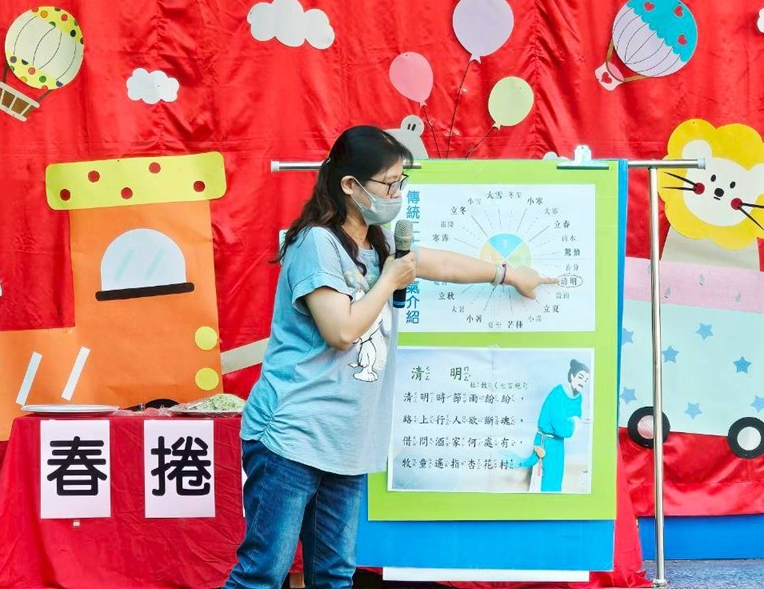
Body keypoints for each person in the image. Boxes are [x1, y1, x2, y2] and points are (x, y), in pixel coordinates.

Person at [224, 125, 557, 589]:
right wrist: (388, 281)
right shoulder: (317, 243)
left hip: (345, 440)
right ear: (349, 185)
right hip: (292, 436)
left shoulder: (377, 240)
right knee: (263, 572)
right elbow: (341, 331)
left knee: (335, 575)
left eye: (402, 181)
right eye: (388, 184)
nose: (397, 194)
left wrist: (508, 273)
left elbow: (441, 264)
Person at [523, 359, 591, 493]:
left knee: (556, 481)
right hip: (545, 443)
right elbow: (563, 428)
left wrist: (573, 422)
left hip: (559, 443)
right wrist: (574, 422)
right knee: (543, 483)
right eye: (580, 377)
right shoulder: (558, 394)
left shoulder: (578, 397)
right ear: (572, 376)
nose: (583, 382)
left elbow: (576, 417)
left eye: (586, 380)